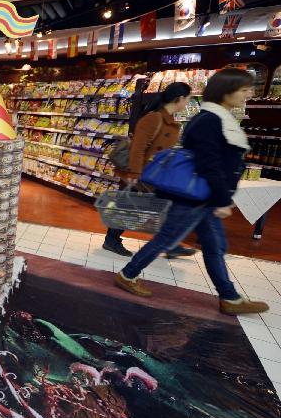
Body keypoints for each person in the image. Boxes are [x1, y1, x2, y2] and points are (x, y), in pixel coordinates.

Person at [114, 68, 268, 315]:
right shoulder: (210, 120)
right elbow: (209, 164)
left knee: (214, 245)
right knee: (168, 239)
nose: (249, 94)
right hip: (195, 196)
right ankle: (127, 274)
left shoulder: (217, 118)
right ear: (226, 91)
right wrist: (223, 199)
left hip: (203, 197)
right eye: (244, 89)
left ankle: (229, 297)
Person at [103, 82, 197, 259]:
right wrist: (134, 175)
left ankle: (170, 244)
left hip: (157, 175)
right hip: (144, 174)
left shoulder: (169, 119)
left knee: (161, 208)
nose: (188, 104)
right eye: (188, 99)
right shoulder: (154, 119)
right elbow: (138, 148)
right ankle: (112, 239)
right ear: (180, 98)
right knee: (129, 208)